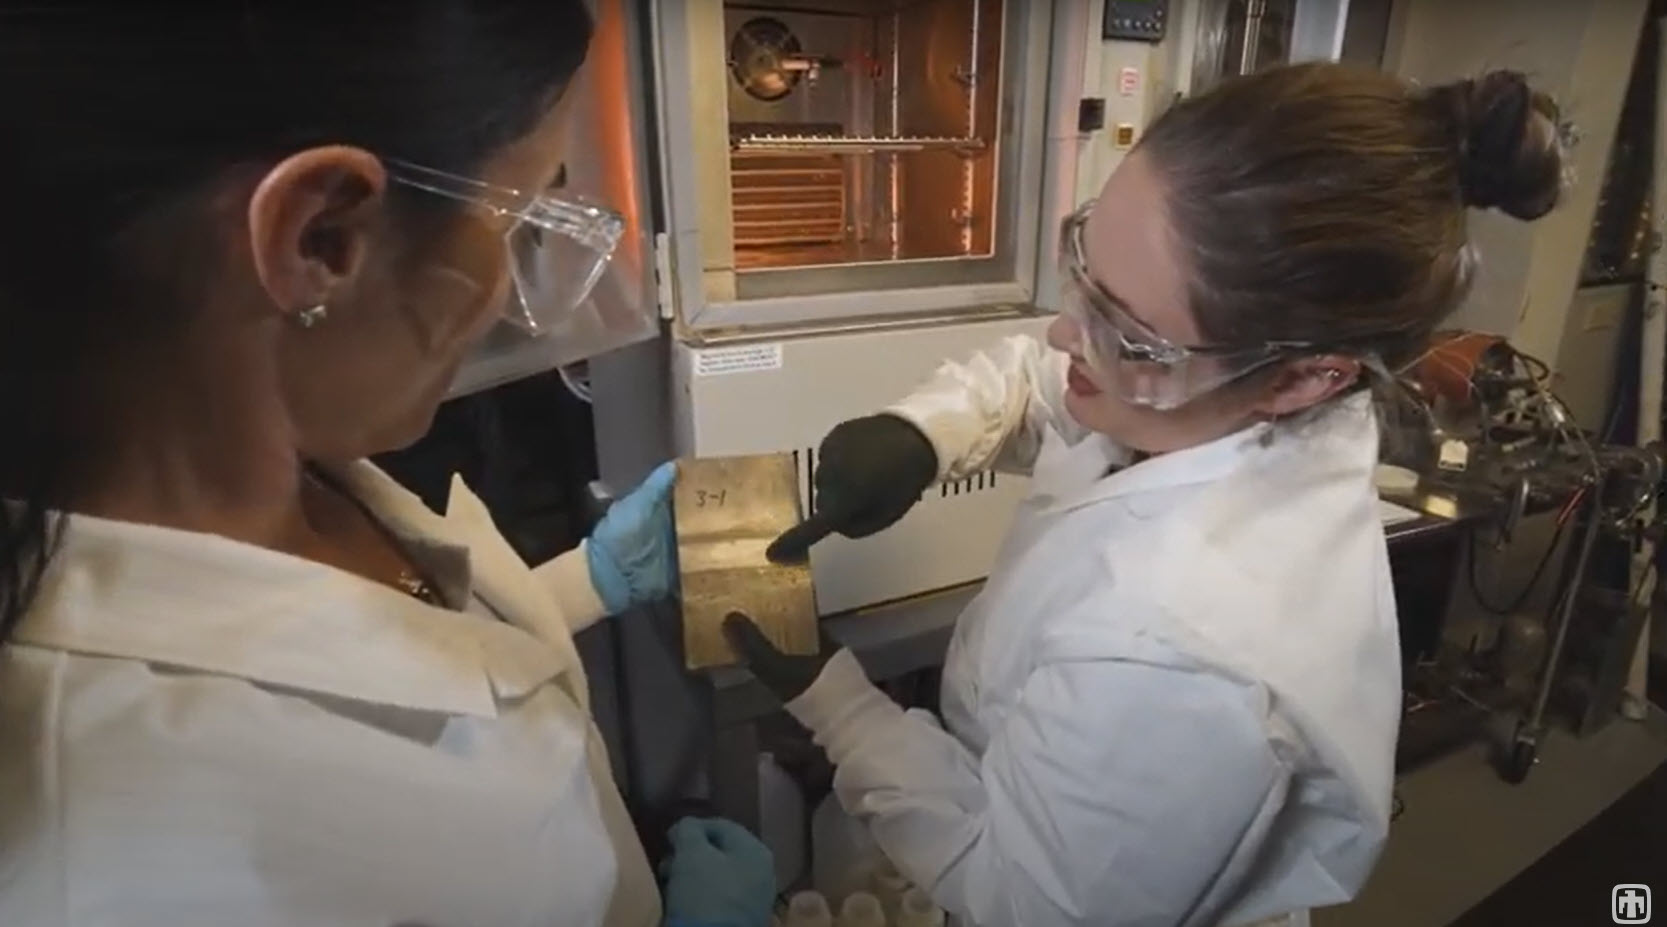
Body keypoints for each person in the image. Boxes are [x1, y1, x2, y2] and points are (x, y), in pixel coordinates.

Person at [728, 64, 1566, 927]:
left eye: (1123, 331)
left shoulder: (1180, 656)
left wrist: (842, 713)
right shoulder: (1245, 408)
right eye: (1081, 261)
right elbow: (1049, 380)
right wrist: (928, 431)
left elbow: (1024, 897)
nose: (1062, 332)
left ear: (1305, 377)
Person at [0, 5, 774, 927]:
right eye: (522, 213)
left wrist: (587, 582)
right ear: (318, 235)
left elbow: (386, 655)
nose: (509, 291)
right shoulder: (154, 861)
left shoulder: (284, 467)